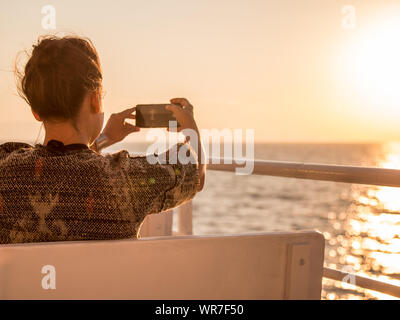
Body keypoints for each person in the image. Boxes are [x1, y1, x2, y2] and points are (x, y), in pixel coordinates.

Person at [0, 35, 205, 244]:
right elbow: (193, 173)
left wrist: (104, 140)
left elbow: (61, 164)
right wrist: (190, 126)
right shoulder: (123, 180)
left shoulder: (5, 168)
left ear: (35, 111)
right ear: (95, 100)